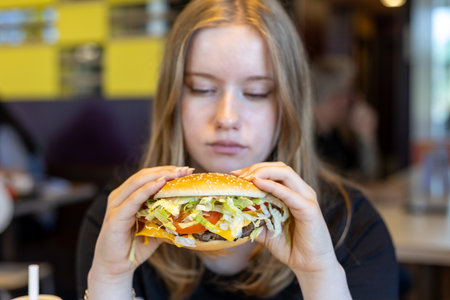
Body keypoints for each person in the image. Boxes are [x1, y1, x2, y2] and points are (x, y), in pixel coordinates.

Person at [76, 1, 398, 299]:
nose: (227, 117)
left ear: (289, 104)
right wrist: (110, 278)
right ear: (173, 99)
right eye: (203, 89)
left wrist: (319, 274)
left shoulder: (354, 226)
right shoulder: (120, 219)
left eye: (257, 92)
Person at [311, 56, 380, 182]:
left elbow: (364, 177)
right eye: (349, 93)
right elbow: (336, 191)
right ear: (332, 96)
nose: (355, 99)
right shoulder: (306, 138)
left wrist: (367, 138)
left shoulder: (334, 134)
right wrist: (383, 192)